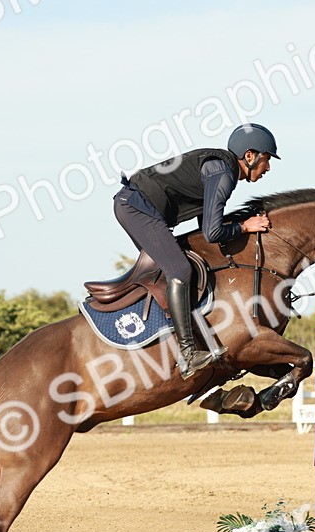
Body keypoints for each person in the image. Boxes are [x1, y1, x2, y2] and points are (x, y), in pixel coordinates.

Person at [113, 123, 279, 378]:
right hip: (137, 209)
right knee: (179, 269)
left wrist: (241, 225)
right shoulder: (223, 173)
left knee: (184, 265)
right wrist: (245, 226)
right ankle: (188, 353)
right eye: (266, 160)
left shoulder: (220, 169)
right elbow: (213, 232)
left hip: (139, 208)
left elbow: (208, 228)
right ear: (249, 155)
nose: (268, 168)